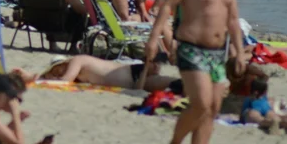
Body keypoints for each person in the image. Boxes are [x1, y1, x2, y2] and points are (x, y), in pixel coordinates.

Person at [144, 0, 244, 144]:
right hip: (191, 48)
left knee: (213, 108)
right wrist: (152, 39)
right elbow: (167, 6)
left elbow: (232, 18)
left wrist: (239, 52)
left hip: (218, 52)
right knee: (200, 104)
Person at [12, 56, 178, 94]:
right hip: (133, 78)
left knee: (171, 84)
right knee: (172, 85)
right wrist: (32, 76)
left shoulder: (77, 61)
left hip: (135, 73)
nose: (56, 74)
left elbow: (64, 81)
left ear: (63, 64)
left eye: (56, 70)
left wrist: (33, 78)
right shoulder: (77, 70)